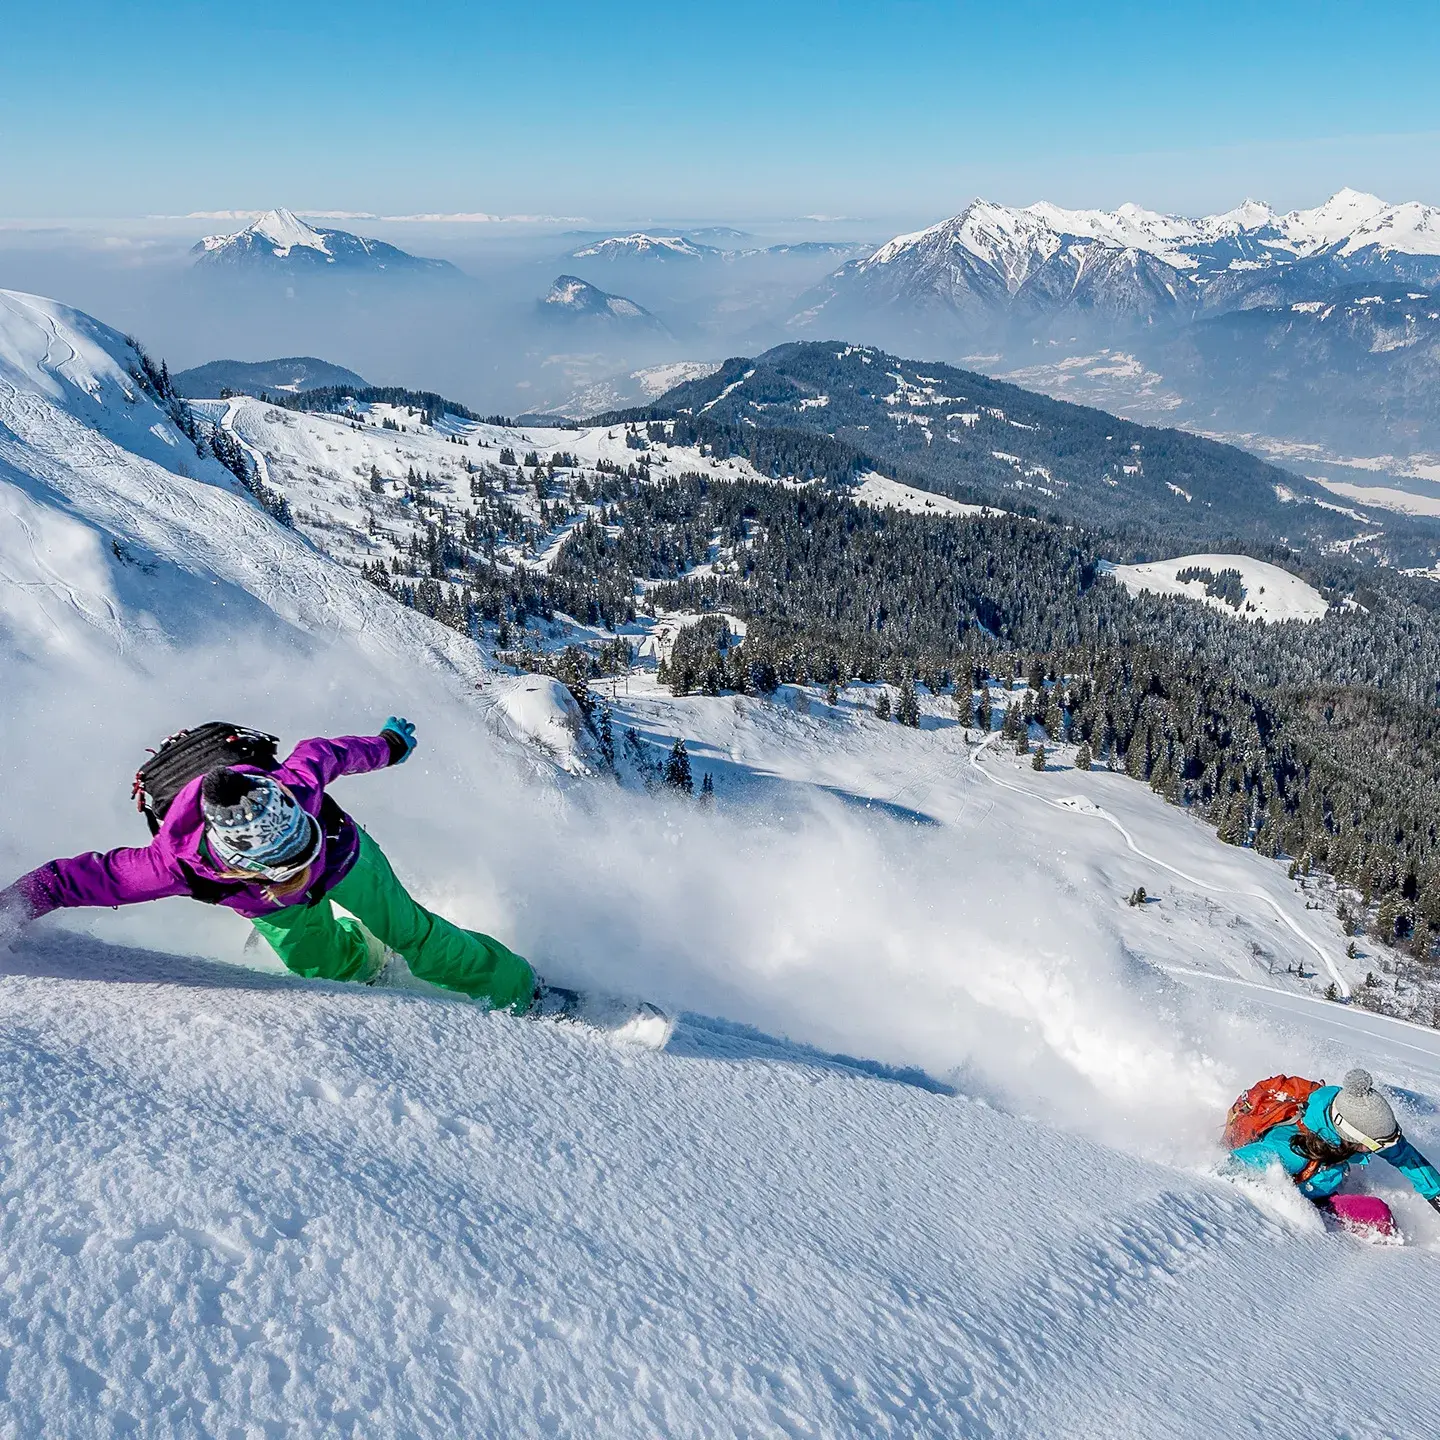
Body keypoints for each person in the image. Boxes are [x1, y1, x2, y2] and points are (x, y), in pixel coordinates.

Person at [0, 719, 537, 1012]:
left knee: (419, 935)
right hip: (272, 907)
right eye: (290, 868)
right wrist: (10, 908)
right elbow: (69, 880)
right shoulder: (174, 865)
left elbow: (325, 751)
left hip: (349, 856)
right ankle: (365, 966)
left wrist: (389, 745)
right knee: (320, 966)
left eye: (301, 850)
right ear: (236, 867)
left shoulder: (291, 789)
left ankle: (517, 987)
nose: (305, 873)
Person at [1229, 1068, 1440, 1214]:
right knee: (1326, 1175)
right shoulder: (1288, 1152)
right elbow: (1228, 1170)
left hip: (1325, 1158)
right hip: (1296, 1169)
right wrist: (1297, 1203)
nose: (1383, 1149)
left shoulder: (1359, 1118)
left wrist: (1436, 1193)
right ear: (1351, 1137)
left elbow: (1402, 1154)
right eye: (1378, 1145)